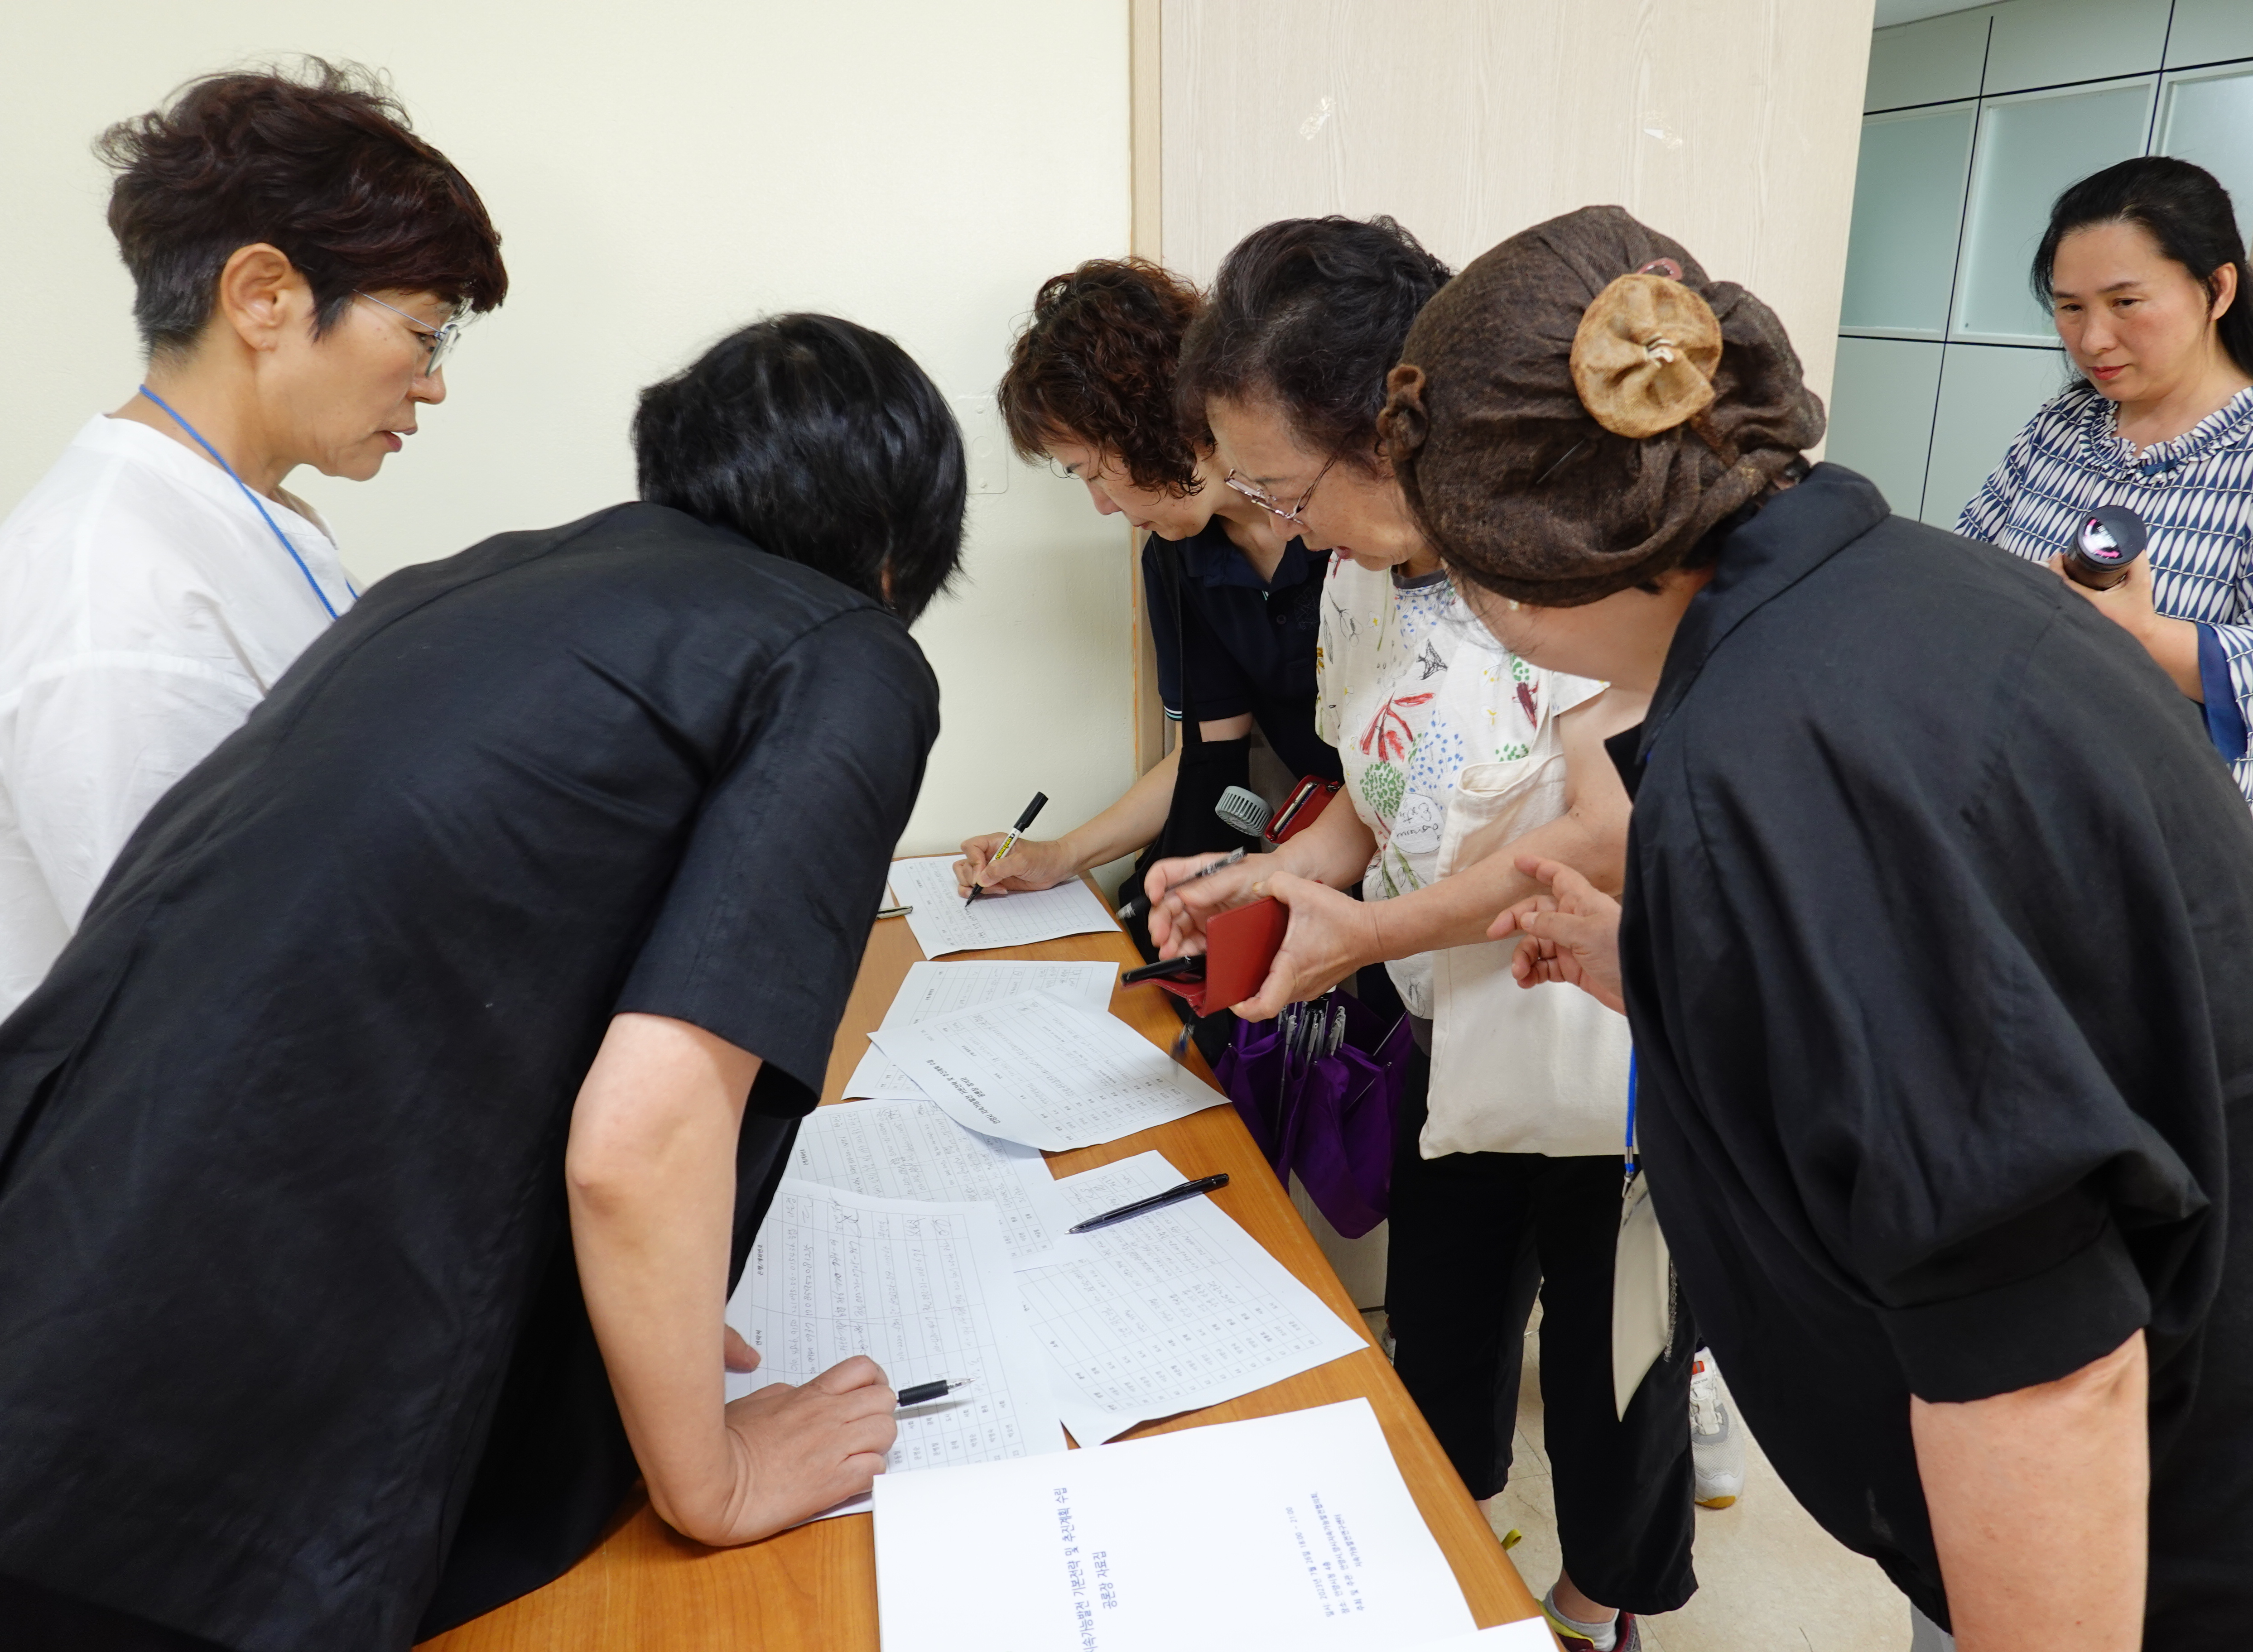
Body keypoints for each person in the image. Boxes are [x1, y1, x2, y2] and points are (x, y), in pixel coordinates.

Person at [1386, 204, 2253, 1651]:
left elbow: (2044, 1372)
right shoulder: (1904, 584)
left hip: (2227, 1550)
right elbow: (1970, 1025)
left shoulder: (1774, 759)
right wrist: (1660, 964)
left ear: (1516, 563)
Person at [0, 313, 961, 1652]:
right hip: (207, 1462)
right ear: (897, 554)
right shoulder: (842, 650)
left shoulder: (461, 585)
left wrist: (659, 1307)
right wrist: (719, 1478)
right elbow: (638, 1139)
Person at [1146, 216, 1707, 1652]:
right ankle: (1446, 1570)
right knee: (1447, 1333)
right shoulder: (1355, 575)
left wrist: (1366, 927)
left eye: (1283, 485)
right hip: (1445, 1028)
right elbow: (1364, 779)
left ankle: (1594, 1609)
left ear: (1386, 435)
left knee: (1612, 1366)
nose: (1280, 522)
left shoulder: (1567, 565)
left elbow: (1599, 835)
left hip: (1598, 1037)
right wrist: (1276, 880)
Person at [0, 60, 508, 1018]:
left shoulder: (235, 516)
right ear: (264, 296)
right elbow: (196, 1001)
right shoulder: (120, 597)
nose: (433, 384)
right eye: (425, 333)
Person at [1958, 156, 2253, 855]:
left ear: (2218, 289)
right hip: (2018, 799)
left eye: (2125, 303)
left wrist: (2142, 636)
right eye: (2070, 307)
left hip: (2159, 837)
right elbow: (1970, 559)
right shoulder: (2064, 423)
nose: (2092, 340)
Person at [956, 259, 1336, 926]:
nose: (1102, 506)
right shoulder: (1178, 554)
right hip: (1323, 849)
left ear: (1148, 425)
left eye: (1091, 472)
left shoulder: (1344, 524)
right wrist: (1062, 856)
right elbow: (1207, 757)